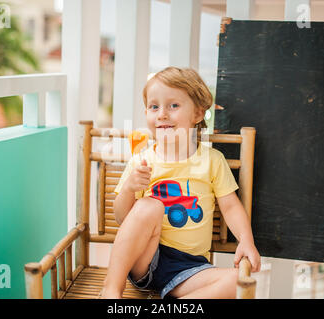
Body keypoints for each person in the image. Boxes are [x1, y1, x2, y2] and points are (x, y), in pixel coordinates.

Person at [101, 66, 260, 299]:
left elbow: (230, 205)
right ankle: (111, 290)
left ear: (197, 113)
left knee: (238, 281)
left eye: (173, 105)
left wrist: (246, 240)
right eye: (154, 106)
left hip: (190, 269)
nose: (162, 114)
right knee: (149, 205)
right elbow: (123, 218)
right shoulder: (142, 161)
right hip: (146, 258)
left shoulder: (212, 160)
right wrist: (128, 188)